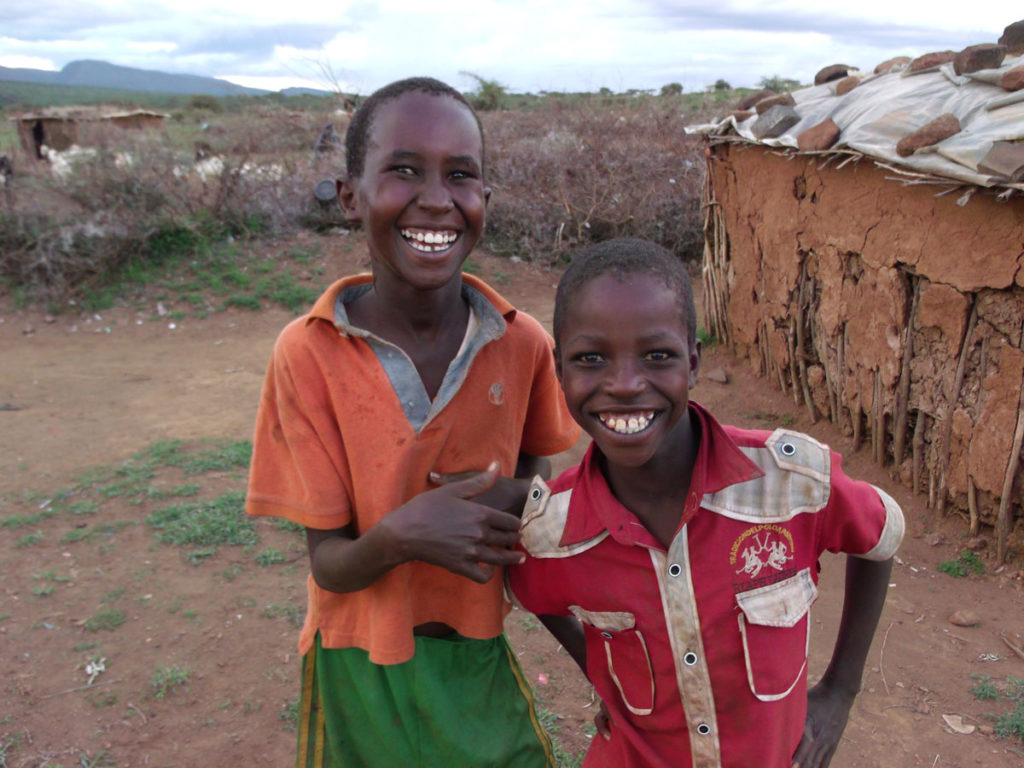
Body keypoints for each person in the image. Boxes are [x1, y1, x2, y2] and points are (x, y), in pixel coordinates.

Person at [245, 76, 580, 767]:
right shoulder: (307, 354)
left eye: (461, 175)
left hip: (475, 649)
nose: (436, 198)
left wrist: (510, 501)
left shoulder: (522, 346)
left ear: (484, 199)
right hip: (359, 659)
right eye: (403, 170)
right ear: (349, 196)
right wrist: (404, 534)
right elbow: (332, 567)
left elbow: (531, 479)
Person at [507, 237, 904, 768]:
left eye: (657, 355)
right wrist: (604, 676)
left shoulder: (789, 483)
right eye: (591, 358)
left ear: (693, 361)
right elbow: (534, 593)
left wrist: (840, 692)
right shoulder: (552, 531)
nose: (625, 384)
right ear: (560, 372)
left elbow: (880, 538)